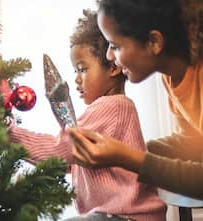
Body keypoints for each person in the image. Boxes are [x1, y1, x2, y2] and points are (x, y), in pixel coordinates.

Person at [8, 10, 166, 221]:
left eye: (82, 69)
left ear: (112, 67)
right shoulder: (111, 108)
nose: (76, 80)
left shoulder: (112, 106)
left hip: (127, 216)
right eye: (74, 71)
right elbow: (68, 160)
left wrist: (9, 134)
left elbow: (61, 149)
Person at [69, 0, 203, 200]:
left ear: (154, 42)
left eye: (115, 46)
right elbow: (195, 146)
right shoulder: (172, 75)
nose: (109, 56)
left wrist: (128, 157)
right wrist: (130, 147)